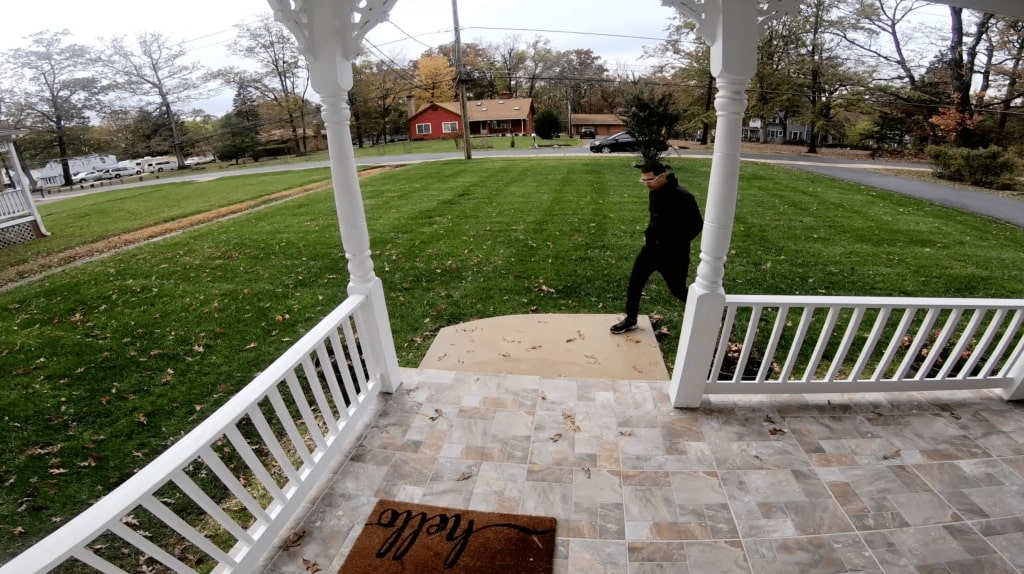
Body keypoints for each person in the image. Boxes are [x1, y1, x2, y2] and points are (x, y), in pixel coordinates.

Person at [610, 159, 703, 334]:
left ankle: (708, 310)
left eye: (649, 180)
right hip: (651, 250)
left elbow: (697, 224)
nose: (646, 184)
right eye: (643, 180)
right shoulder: (654, 192)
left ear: (663, 176)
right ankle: (630, 320)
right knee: (635, 283)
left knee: (678, 290)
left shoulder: (682, 196)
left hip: (674, 253)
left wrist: (675, 241)